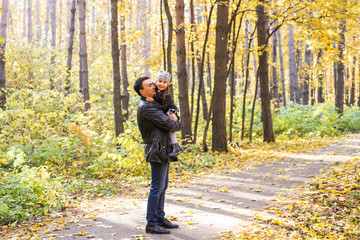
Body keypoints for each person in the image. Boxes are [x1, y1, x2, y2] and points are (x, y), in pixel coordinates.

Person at [134, 76, 181, 234]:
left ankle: (159, 217)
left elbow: (169, 115)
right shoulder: (147, 107)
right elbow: (169, 124)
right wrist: (177, 122)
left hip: (162, 148)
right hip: (157, 149)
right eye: (150, 85)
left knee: (163, 186)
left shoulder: (153, 104)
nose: (154, 86)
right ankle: (152, 223)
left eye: (153, 83)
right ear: (142, 91)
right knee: (157, 187)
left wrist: (174, 118)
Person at [145, 71, 183, 157]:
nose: (161, 84)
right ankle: (175, 146)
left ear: (167, 84)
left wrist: (153, 101)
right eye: (160, 81)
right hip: (164, 110)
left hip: (171, 110)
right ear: (156, 81)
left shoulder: (167, 95)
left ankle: (175, 145)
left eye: (164, 82)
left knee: (168, 125)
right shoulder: (156, 91)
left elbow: (163, 108)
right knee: (165, 125)